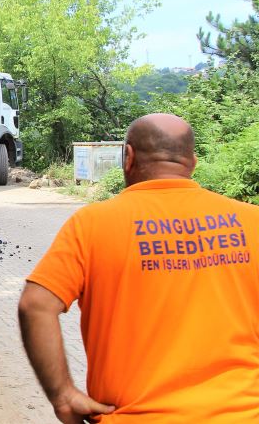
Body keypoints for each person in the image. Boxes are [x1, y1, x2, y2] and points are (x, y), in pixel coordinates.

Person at [18, 113, 259, 423]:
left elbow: (35, 305)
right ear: (193, 162)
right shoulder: (251, 221)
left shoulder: (92, 225)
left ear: (127, 157)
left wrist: (62, 394)